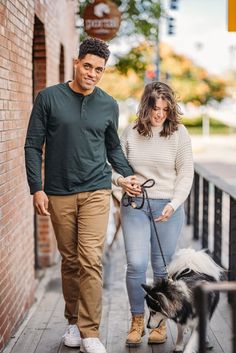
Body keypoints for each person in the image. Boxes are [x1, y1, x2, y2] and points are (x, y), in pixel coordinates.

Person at [24, 37, 137, 353]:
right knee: (70, 261)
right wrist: (37, 188)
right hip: (58, 193)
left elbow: (112, 146)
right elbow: (33, 146)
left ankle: (90, 332)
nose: (92, 73)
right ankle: (72, 322)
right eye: (88, 66)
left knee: (90, 259)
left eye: (99, 69)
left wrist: (126, 175)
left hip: (96, 191)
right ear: (76, 63)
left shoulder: (108, 104)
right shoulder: (48, 98)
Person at [113, 81, 194, 346]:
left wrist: (175, 202)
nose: (159, 114)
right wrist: (122, 182)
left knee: (162, 268)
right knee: (136, 263)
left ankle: (157, 320)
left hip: (167, 208)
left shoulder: (179, 133)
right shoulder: (130, 132)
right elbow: (113, 167)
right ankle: (137, 320)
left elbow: (185, 173)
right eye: (155, 108)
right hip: (135, 205)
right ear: (145, 106)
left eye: (164, 109)